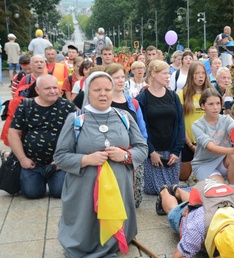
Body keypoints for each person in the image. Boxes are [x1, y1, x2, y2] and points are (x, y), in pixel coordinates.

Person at [54, 71, 148, 257]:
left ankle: (114, 242)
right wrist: (86, 159)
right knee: (87, 221)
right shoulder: (75, 120)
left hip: (118, 186)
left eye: (107, 89)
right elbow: (60, 156)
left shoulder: (124, 117)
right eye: (97, 90)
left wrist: (125, 156)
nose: (103, 94)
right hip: (84, 189)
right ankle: (85, 244)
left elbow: (142, 148)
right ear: (88, 92)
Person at [158, 179, 234, 257]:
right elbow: (179, 256)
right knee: (174, 213)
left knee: (194, 202)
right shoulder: (197, 226)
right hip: (202, 208)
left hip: (210, 199)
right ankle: (165, 191)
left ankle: (178, 190)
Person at [8, 75, 76, 199]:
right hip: (32, 162)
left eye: (55, 87)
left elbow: (80, 132)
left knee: (59, 192)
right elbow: (13, 133)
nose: (53, 91)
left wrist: (65, 160)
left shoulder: (68, 107)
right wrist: (23, 159)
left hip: (59, 162)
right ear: (38, 90)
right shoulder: (26, 106)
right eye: (47, 88)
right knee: (32, 193)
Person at [135, 60, 185, 195]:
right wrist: (151, 152)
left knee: (174, 190)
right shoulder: (142, 98)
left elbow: (180, 123)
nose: (168, 76)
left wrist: (177, 151)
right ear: (153, 74)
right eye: (164, 73)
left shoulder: (173, 97)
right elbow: (140, 128)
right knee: (156, 191)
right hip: (152, 155)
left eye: (168, 73)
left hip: (172, 154)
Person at [106, 63, 148, 207]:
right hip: (111, 154)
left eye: (122, 77)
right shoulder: (104, 104)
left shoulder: (133, 103)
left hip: (133, 153)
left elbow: (142, 130)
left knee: (134, 201)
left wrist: (140, 150)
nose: (120, 80)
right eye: (115, 77)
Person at [191, 88, 234, 188]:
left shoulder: (226, 119)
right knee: (220, 187)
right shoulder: (197, 125)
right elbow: (210, 147)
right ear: (203, 106)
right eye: (211, 104)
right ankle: (211, 183)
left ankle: (233, 191)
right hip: (204, 163)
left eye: (218, 103)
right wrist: (232, 150)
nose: (215, 107)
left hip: (222, 160)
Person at [178, 61, 213, 181]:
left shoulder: (211, 92)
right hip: (189, 141)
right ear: (191, 75)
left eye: (203, 73)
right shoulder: (182, 94)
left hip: (208, 142)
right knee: (184, 176)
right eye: (197, 73)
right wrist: (189, 144)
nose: (201, 76)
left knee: (204, 178)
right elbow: (180, 121)